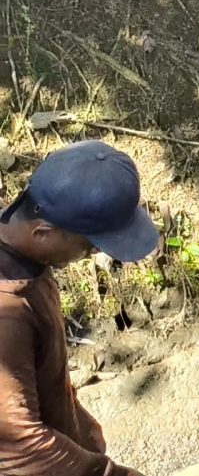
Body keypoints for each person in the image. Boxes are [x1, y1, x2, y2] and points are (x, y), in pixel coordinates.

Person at [0, 141, 157, 476]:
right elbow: (20, 448)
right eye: (89, 246)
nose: (92, 255)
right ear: (43, 232)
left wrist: (76, 419)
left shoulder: (24, 253)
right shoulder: (7, 312)